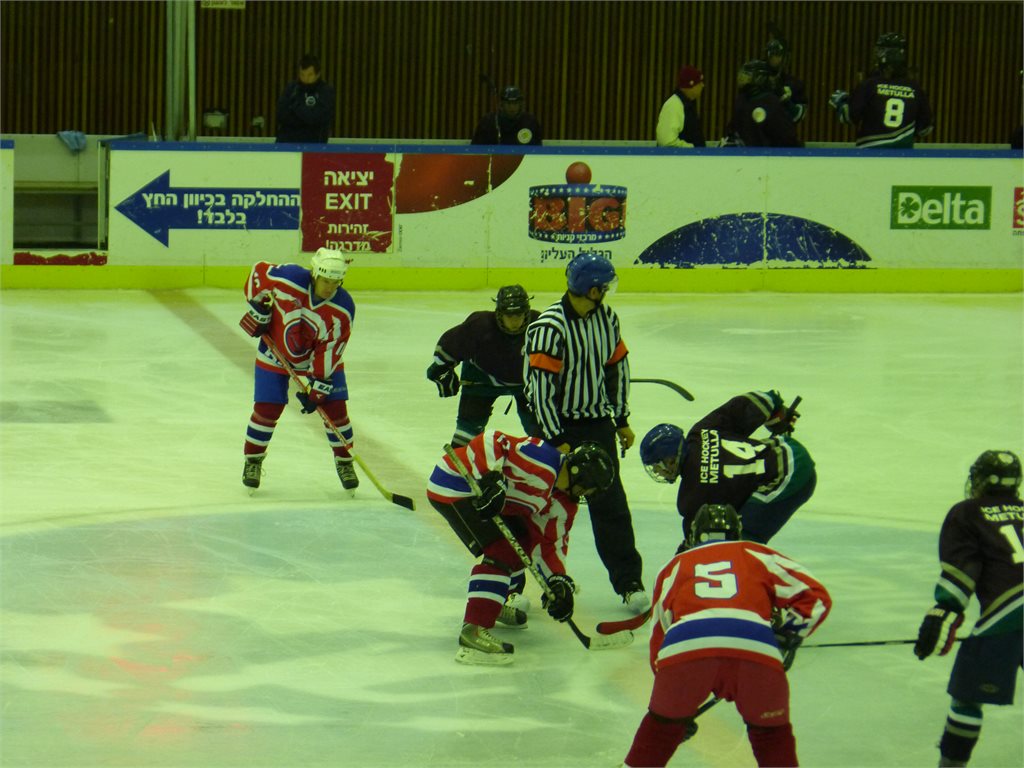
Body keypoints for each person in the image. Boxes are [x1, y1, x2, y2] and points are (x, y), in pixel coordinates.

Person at [623, 503, 832, 768]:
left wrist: (673, 707)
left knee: (659, 731)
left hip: (686, 646)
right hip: (755, 644)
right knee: (772, 738)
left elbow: (659, 637)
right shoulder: (757, 553)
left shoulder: (674, 566)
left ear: (694, 535)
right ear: (737, 532)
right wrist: (785, 634)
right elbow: (816, 598)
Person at [523, 252, 647, 612]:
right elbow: (539, 389)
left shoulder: (607, 319)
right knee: (543, 507)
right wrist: (555, 437)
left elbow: (617, 369)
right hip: (555, 426)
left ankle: (629, 582)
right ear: (592, 289)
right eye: (604, 286)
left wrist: (621, 418)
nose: (607, 292)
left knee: (611, 506)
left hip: (596, 425)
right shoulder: (549, 327)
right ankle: (536, 581)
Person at [426, 430, 615, 665]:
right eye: (590, 489)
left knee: (522, 542)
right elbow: (492, 439)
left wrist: (557, 582)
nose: (588, 495)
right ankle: (473, 630)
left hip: (489, 502)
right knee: (502, 549)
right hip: (456, 485)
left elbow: (550, 545)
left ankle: (493, 603)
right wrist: (490, 477)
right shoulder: (543, 460)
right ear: (581, 475)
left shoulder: (563, 504)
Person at [913, 450, 1023, 768]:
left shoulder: (968, 513)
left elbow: (962, 572)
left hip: (1008, 614)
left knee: (967, 697)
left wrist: (944, 612)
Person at [239, 247, 357, 492]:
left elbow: (331, 349)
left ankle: (345, 462)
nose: (329, 288)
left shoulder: (343, 309)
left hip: (318, 360)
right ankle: (253, 460)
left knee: (335, 410)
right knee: (267, 408)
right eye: (325, 281)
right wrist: (259, 307)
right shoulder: (289, 278)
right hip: (275, 353)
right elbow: (258, 273)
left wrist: (318, 386)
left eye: (335, 283)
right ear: (315, 274)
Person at [639, 389, 814, 547]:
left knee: (740, 543)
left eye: (657, 466)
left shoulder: (691, 495)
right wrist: (777, 414)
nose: (656, 472)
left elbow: (695, 545)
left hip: (790, 476)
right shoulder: (701, 432)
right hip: (787, 449)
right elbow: (750, 404)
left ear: (670, 460)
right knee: (735, 534)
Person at [425, 285, 540, 447]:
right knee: (466, 434)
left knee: (542, 432)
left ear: (526, 312)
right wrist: (441, 371)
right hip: (481, 380)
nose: (514, 321)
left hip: (526, 385)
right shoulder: (479, 326)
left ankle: (548, 464)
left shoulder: (539, 326)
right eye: (509, 315)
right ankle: (459, 462)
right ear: (499, 313)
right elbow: (447, 350)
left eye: (519, 315)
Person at [829, 44, 933, 148]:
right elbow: (925, 129)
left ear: (885, 67)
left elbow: (848, 117)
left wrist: (840, 102)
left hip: (870, 150)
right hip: (903, 155)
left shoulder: (870, 85)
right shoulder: (915, 88)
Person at [723, 59, 802, 147]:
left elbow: (786, 136)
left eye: (747, 75)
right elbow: (734, 128)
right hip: (747, 155)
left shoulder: (770, 102)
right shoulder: (741, 99)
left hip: (769, 156)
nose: (741, 78)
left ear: (759, 78)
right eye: (742, 74)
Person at [275, 53, 335, 143]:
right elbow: (280, 115)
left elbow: (317, 118)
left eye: (310, 75)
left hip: (314, 146)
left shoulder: (326, 92)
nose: (305, 78)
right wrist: (307, 118)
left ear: (318, 74)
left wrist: (295, 107)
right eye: (302, 74)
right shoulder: (291, 89)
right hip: (286, 144)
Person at [470, 86, 542, 146]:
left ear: (520, 104)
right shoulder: (488, 122)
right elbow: (476, 148)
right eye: (508, 103)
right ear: (501, 104)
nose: (512, 107)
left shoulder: (530, 122)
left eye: (515, 103)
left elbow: (537, 149)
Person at [655, 65, 706, 148]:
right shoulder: (674, 105)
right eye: (699, 83)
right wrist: (693, 149)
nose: (702, 85)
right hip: (680, 160)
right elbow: (667, 142)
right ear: (691, 85)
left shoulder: (687, 104)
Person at [765, 37, 808, 124]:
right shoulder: (757, 81)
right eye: (774, 54)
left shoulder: (795, 84)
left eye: (781, 55)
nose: (780, 59)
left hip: (783, 133)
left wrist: (786, 101)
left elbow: (800, 116)